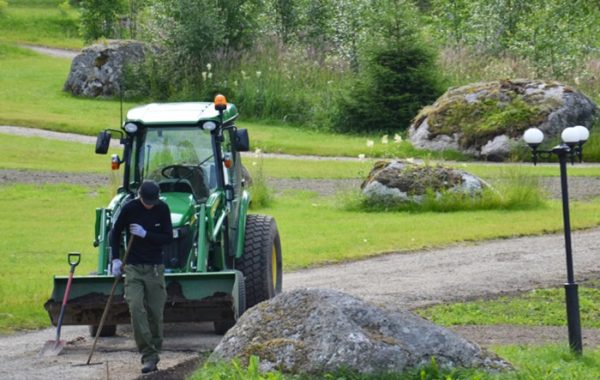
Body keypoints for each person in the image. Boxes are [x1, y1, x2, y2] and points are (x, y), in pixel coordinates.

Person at [109, 180, 173, 374]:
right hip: (134, 268)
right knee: (136, 308)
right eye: (147, 201)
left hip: (154, 268)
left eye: (152, 202)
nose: (149, 205)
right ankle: (148, 355)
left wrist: (146, 234)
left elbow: (168, 237)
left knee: (155, 313)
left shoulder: (162, 209)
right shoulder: (130, 208)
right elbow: (114, 233)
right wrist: (115, 259)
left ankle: (155, 349)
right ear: (139, 195)